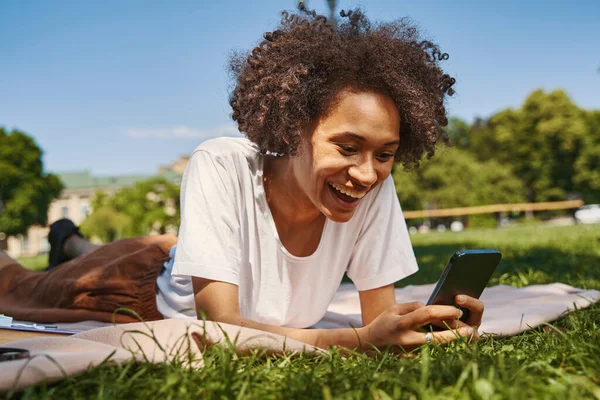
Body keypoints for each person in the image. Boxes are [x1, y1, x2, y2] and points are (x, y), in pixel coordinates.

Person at [0, 6, 482, 352]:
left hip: (185, 259)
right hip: (136, 285)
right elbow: (221, 324)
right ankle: (69, 241)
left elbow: (380, 322)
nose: (366, 172)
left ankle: (72, 242)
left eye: (386, 154)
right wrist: (355, 341)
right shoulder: (221, 163)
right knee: (17, 286)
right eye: (347, 146)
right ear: (295, 126)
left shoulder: (372, 185)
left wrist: (420, 326)